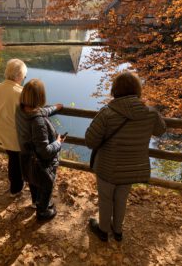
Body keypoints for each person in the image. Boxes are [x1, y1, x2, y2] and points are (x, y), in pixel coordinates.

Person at [85, 71, 166, 242]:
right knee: (121, 199)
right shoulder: (150, 113)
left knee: (106, 199)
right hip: (131, 168)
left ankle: (103, 231)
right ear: (137, 90)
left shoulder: (106, 113)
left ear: (115, 90)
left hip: (107, 168)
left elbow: (90, 140)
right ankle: (118, 231)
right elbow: (161, 130)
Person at [15, 79, 65, 221]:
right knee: (46, 184)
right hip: (40, 162)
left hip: (25, 156)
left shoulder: (20, 110)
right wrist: (58, 142)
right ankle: (42, 212)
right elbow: (45, 151)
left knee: (32, 180)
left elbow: (40, 112)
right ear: (41, 98)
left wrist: (54, 108)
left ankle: (36, 202)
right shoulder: (38, 122)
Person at [0, 58, 27, 196]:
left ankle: (16, 185)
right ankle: (16, 188)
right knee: (17, 161)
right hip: (14, 137)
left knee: (13, 158)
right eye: (24, 76)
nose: (23, 78)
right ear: (18, 75)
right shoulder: (21, 93)